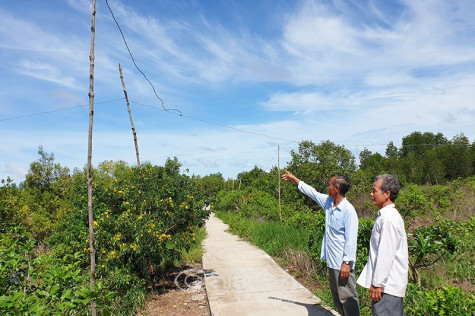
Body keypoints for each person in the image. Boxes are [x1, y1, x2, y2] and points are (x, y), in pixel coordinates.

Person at [282, 170, 359, 316]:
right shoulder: (329, 203)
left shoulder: (348, 210)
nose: (327, 187)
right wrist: (294, 179)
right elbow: (312, 192)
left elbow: (351, 238)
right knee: (337, 297)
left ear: (336, 189)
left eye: (330, 185)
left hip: (342, 264)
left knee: (348, 298)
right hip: (332, 261)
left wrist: (347, 263)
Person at [357, 174, 408, 315]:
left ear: (387, 194)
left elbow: (386, 254)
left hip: (387, 287)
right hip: (387, 286)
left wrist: (378, 283)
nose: (371, 194)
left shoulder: (389, 219)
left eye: (374, 191)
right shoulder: (385, 216)